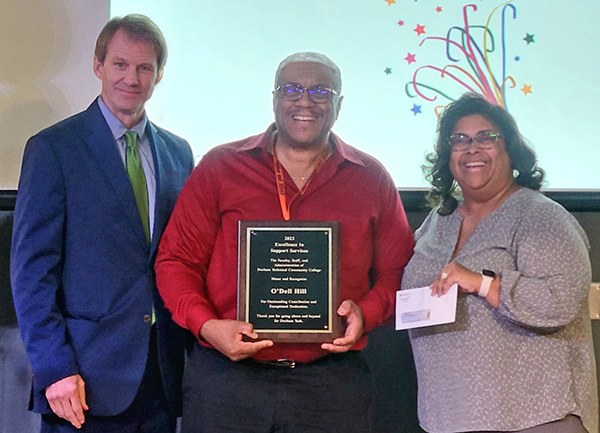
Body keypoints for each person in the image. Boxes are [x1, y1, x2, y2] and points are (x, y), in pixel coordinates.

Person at [155, 51, 414, 433]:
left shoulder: (370, 178)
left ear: (339, 105)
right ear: (275, 98)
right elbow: (176, 261)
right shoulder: (219, 167)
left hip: (330, 385)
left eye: (320, 91)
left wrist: (366, 313)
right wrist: (207, 325)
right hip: (227, 382)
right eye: (292, 89)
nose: (305, 101)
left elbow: (398, 270)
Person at [11, 14, 194, 433]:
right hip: (80, 383)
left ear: (159, 75)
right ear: (98, 66)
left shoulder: (178, 153)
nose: (132, 78)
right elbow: (31, 273)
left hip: (161, 380)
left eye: (144, 67)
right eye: (120, 64)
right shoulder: (53, 148)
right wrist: (53, 369)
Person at [402, 93, 598, 433]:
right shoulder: (439, 220)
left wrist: (482, 283)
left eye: (486, 138)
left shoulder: (541, 217)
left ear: (510, 151)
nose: (471, 149)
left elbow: (560, 301)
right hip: (448, 417)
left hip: (536, 417)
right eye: (459, 140)